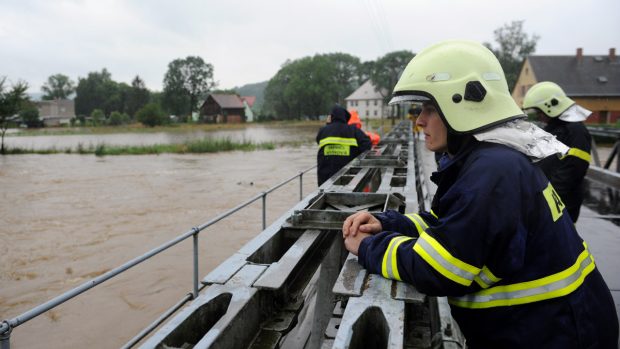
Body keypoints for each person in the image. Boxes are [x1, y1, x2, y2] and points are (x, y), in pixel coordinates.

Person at [342, 40, 618, 349]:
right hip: (553, 324)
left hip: (556, 333)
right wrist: (388, 223)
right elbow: (449, 223)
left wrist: (369, 246)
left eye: (429, 109)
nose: (419, 121)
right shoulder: (488, 160)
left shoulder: (490, 172)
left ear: (461, 104)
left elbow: (439, 269)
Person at [523, 81, 592, 222]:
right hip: (547, 202)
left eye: (539, 111)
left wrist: (548, 200)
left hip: (561, 205)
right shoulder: (553, 129)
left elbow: (572, 171)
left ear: (551, 106)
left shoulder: (575, 132)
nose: (539, 116)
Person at [316, 105, 371, 186]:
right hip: (348, 175)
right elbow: (367, 145)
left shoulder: (323, 130)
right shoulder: (353, 130)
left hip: (325, 177)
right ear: (345, 118)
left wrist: (328, 125)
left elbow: (318, 141)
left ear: (331, 117)